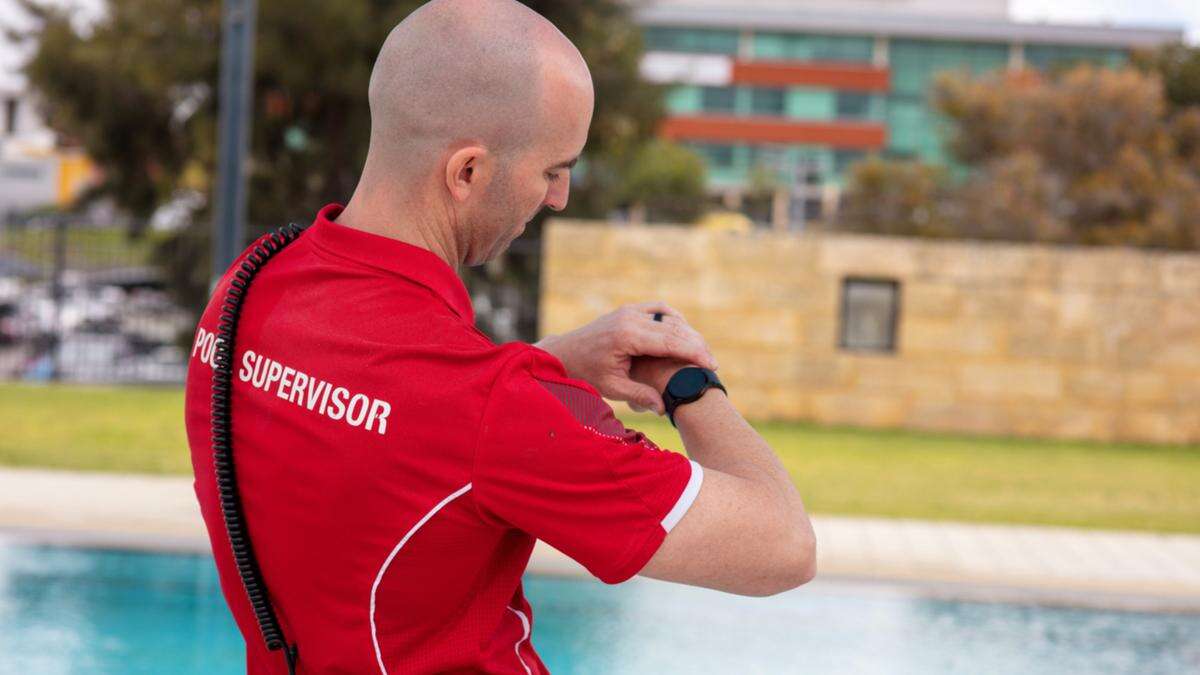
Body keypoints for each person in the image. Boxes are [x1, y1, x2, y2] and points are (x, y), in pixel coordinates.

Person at [183, 0, 816, 672]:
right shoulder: (491, 410)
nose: (560, 196)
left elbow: (392, 431)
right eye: (552, 169)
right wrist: (683, 379)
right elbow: (782, 544)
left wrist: (554, 361)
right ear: (468, 172)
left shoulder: (245, 290)